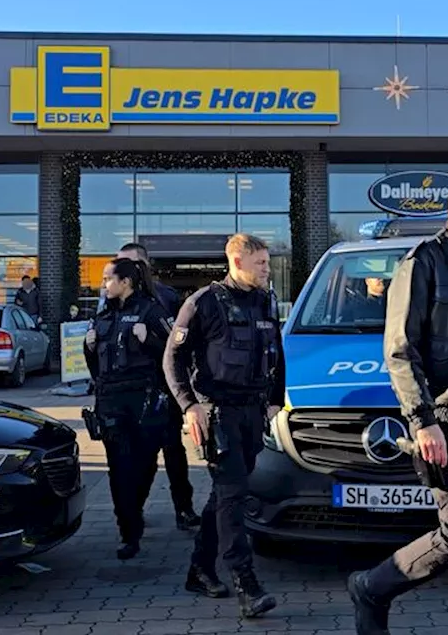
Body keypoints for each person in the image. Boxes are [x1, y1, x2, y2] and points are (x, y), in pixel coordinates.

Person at [347, 179, 448, 635]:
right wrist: (422, 422)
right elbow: (400, 350)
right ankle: (371, 587)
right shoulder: (424, 264)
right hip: (444, 426)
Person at [165, 233, 284, 619]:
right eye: (261, 263)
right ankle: (245, 583)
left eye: (267, 262)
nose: (267, 269)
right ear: (237, 261)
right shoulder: (204, 303)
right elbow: (173, 359)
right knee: (233, 494)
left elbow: (276, 354)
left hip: (253, 412)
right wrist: (189, 406)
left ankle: (200, 569)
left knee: (225, 495)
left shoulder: (266, 300)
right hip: (218, 414)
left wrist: (273, 403)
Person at [82, 258, 176, 560]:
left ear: (126, 282)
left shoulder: (151, 311)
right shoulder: (102, 316)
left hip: (144, 401)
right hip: (111, 401)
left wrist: (148, 340)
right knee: (119, 470)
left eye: (109, 278)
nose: (104, 284)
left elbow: (176, 354)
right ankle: (128, 531)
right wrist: (89, 347)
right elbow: (96, 368)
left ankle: (134, 512)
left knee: (145, 464)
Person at [104, 242, 199, 531]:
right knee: (135, 458)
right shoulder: (112, 302)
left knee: (172, 451)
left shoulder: (165, 298)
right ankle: (135, 511)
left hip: (162, 390)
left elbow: (178, 345)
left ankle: (184, 508)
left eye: (130, 264)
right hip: (128, 394)